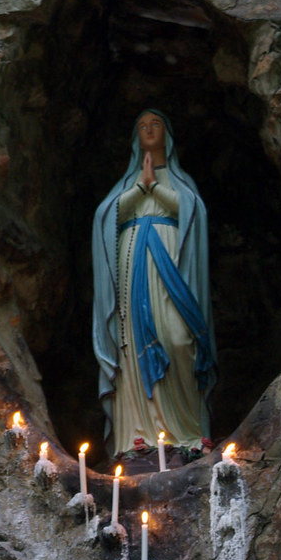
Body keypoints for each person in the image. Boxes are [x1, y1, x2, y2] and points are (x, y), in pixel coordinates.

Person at [92, 110, 217, 457]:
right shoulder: (127, 183)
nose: (148, 129)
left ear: (168, 134)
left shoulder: (180, 180)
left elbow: (194, 214)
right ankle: (138, 435)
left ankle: (186, 432)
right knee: (131, 344)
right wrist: (140, 188)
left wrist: (156, 188)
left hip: (172, 264)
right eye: (142, 126)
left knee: (178, 338)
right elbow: (105, 218)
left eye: (156, 124)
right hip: (133, 266)